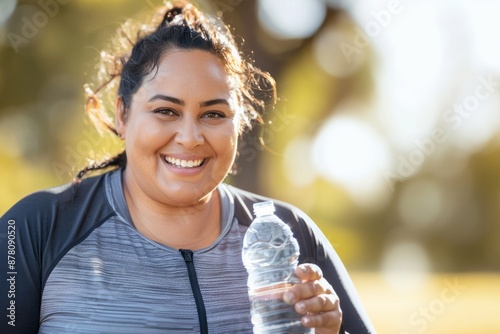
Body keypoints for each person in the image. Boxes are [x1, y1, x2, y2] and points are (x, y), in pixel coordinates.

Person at [0, 1, 375, 333]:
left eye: (213, 114)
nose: (190, 137)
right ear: (123, 114)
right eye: (166, 111)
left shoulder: (287, 233)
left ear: (238, 123)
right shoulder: (35, 229)